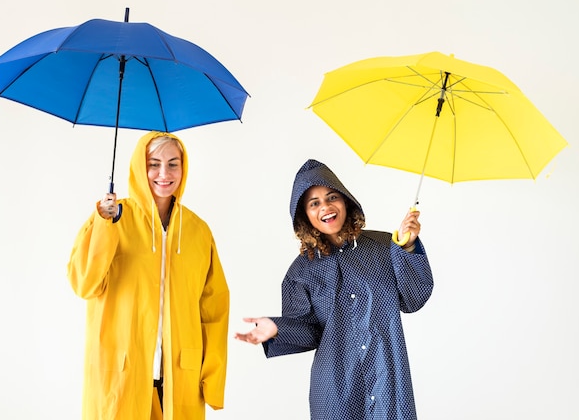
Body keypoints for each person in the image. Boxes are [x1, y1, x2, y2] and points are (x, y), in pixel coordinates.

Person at [235, 159, 433, 420]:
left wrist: (407, 248)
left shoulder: (385, 246)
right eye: (314, 203)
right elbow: (311, 333)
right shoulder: (300, 272)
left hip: (388, 381)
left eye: (332, 197)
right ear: (304, 214)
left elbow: (413, 299)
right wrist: (277, 327)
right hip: (337, 392)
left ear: (346, 201)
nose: (325, 207)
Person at [67, 131, 230, 420]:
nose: (163, 173)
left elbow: (214, 310)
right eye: (153, 163)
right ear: (139, 168)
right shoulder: (113, 218)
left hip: (179, 379)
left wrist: (213, 379)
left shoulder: (198, 231)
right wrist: (104, 224)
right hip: (122, 376)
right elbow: (83, 283)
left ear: (184, 167)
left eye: (173, 163)